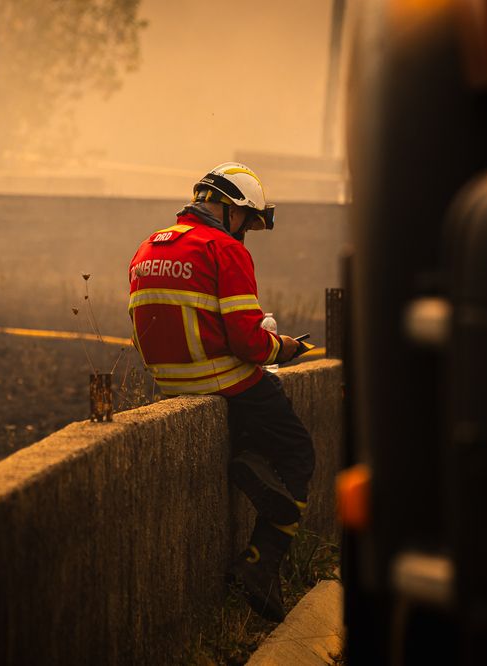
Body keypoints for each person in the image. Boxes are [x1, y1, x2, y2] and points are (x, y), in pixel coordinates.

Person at [127, 162, 315, 621]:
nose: (246, 233)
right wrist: (285, 347)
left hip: (169, 383)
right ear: (231, 209)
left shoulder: (149, 245)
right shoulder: (223, 249)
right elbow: (249, 343)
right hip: (222, 379)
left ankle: (249, 457)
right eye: (247, 221)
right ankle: (259, 564)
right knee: (298, 451)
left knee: (261, 421)